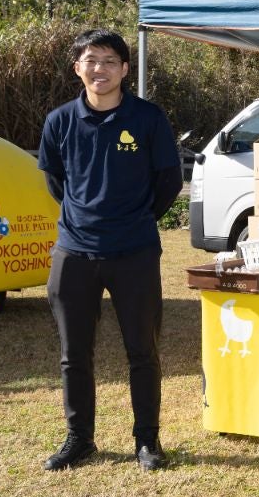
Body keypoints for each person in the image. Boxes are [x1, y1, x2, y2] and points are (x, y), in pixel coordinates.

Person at [37, 29, 183, 471]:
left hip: (134, 251)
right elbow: (55, 183)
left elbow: (168, 182)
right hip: (74, 253)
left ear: (124, 69)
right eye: (90, 60)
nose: (99, 68)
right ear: (77, 67)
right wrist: (84, 219)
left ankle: (147, 441)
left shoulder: (147, 118)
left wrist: (135, 220)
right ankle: (79, 439)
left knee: (142, 350)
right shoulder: (59, 120)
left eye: (108, 60)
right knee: (73, 352)